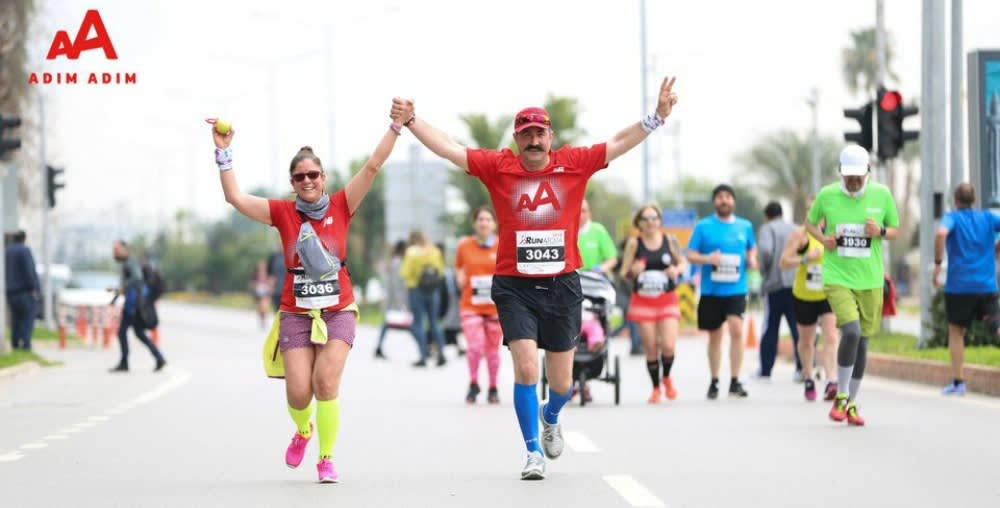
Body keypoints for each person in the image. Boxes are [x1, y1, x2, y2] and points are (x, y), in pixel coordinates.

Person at [392, 74, 678, 479]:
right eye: (525, 134)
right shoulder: (498, 167)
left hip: (563, 285)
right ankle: (532, 453)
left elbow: (617, 143)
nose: (533, 141)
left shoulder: (574, 164)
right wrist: (413, 121)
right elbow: (452, 150)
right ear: (516, 138)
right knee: (527, 368)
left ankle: (551, 415)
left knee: (562, 384)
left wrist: (656, 118)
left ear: (550, 136)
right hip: (514, 286)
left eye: (539, 134)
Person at [210, 111, 402, 483]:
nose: (308, 181)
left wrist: (396, 126)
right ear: (292, 183)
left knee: (325, 383)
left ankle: (326, 458)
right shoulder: (281, 213)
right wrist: (223, 153)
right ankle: (302, 430)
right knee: (299, 394)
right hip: (296, 312)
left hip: (338, 309)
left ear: (323, 178)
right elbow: (234, 197)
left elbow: (374, 165)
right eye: (300, 177)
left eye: (314, 174)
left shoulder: (343, 205)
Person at [805, 145, 899, 426]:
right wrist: (824, 240)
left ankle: (852, 403)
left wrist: (879, 231)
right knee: (851, 331)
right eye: (849, 176)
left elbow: (895, 229)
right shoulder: (827, 195)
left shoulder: (882, 195)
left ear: (867, 172)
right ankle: (841, 396)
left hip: (870, 279)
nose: (853, 181)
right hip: (837, 277)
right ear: (841, 173)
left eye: (858, 176)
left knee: (863, 342)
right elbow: (810, 224)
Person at [686, 184, 757, 399]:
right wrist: (709, 259)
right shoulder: (703, 226)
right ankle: (714, 380)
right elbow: (690, 255)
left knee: (737, 330)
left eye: (727, 197)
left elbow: (751, 247)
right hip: (711, 291)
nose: (724, 200)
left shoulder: (745, 226)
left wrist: (752, 258)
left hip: (736, 288)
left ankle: (735, 380)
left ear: (733, 201)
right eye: (719, 197)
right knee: (715, 337)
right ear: (714, 202)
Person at [933, 183, 1000, 396]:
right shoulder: (988, 217)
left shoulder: (952, 217)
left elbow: (941, 233)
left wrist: (937, 264)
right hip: (986, 285)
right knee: (996, 324)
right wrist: (997, 248)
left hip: (959, 286)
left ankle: (958, 382)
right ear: (974, 199)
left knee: (956, 332)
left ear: (956, 199)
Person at [619, 205, 686, 403]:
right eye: (646, 218)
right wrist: (634, 270)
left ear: (660, 220)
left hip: (666, 299)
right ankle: (656, 388)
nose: (651, 222)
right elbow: (624, 273)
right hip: (642, 301)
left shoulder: (670, 240)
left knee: (668, 345)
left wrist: (676, 269)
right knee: (650, 346)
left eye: (654, 218)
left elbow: (682, 263)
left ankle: (666, 377)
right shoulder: (634, 243)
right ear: (639, 222)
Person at [779, 198, 840, 401]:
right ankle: (808, 376)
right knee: (807, 340)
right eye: (810, 209)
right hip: (804, 294)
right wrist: (805, 258)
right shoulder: (800, 234)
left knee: (831, 335)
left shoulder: (833, 232)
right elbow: (783, 262)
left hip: (828, 292)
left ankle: (832, 380)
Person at [455, 206, 502, 404]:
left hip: (494, 307)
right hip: (471, 306)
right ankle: (473, 383)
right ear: (475, 223)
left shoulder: (502, 245)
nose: (484, 223)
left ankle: (493, 386)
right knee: (474, 347)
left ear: (494, 224)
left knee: (492, 351)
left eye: (487, 219)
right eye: (480, 219)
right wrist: (459, 277)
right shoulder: (464, 246)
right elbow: (458, 268)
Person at [756, 201, 801, 381]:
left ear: (767, 215)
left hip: (775, 284)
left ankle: (765, 369)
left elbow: (766, 251)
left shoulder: (767, 229)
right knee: (798, 328)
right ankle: (803, 367)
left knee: (770, 328)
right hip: (797, 285)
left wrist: (764, 270)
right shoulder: (796, 228)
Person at [109, 240, 167, 373]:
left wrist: (123, 289)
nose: (114, 253)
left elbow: (137, 278)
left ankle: (125, 362)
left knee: (123, 331)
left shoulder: (131, 262)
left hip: (133, 305)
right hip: (134, 303)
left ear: (125, 249)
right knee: (138, 333)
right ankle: (159, 358)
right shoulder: (127, 263)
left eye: (116, 250)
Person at [400, 230, 447, 367]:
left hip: (416, 289)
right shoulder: (434, 251)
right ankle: (442, 354)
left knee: (418, 323)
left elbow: (405, 273)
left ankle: (423, 356)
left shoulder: (411, 252)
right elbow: (441, 271)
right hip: (433, 290)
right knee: (434, 322)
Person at [374, 240, 411, 359]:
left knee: (387, 323)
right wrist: (400, 301)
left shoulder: (394, 262)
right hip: (394, 299)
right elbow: (396, 284)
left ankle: (378, 347)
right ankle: (424, 349)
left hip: (391, 298)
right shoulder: (398, 263)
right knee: (410, 324)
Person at [5, 230, 39, 350]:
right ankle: (25, 344)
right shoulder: (24, 250)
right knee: (27, 318)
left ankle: (14, 343)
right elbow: (29, 271)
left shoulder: (7, 251)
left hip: (10, 292)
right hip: (24, 292)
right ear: (24, 239)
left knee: (15, 318)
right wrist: (33, 288)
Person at [578, 199, 618, 275]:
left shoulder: (599, 230)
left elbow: (612, 259)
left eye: (583, 211)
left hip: (593, 278)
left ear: (589, 213)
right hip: (573, 279)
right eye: (578, 211)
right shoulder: (566, 231)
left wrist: (600, 268)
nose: (580, 215)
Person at [251, 259, 272, 330]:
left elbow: (271, 282)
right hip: (258, 293)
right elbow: (251, 283)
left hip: (266, 293)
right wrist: (255, 285)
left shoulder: (268, 274)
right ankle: (261, 320)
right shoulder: (255, 274)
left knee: (264, 307)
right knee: (259, 309)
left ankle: (264, 319)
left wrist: (270, 287)